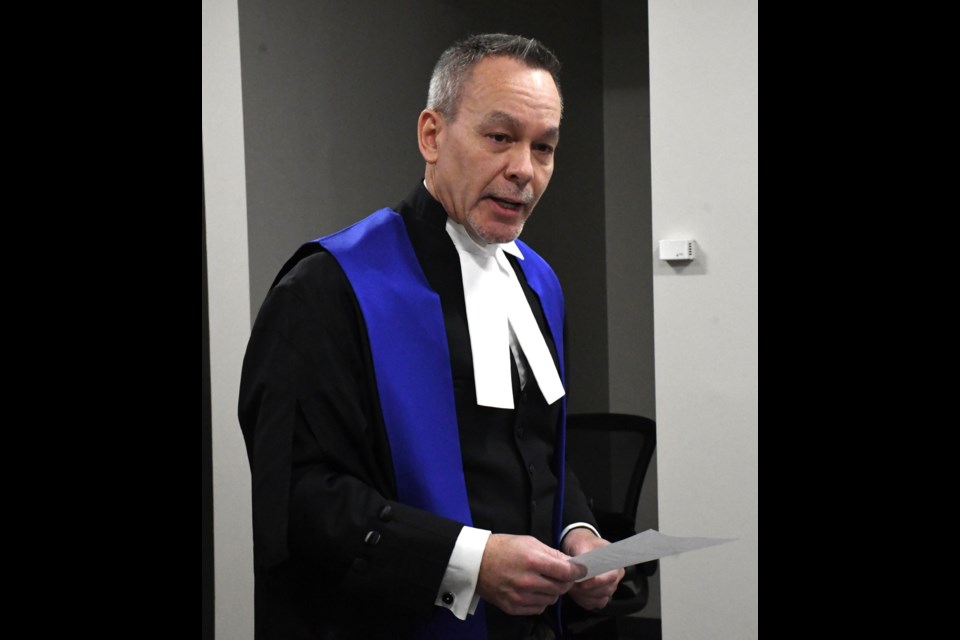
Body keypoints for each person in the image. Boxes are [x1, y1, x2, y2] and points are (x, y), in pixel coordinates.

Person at [238, 33, 624, 640]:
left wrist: (579, 534)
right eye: (500, 137)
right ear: (432, 135)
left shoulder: (539, 283)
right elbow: (301, 495)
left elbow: (541, 452)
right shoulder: (328, 288)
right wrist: (469, 562)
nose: (524, 169)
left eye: (543, 147)